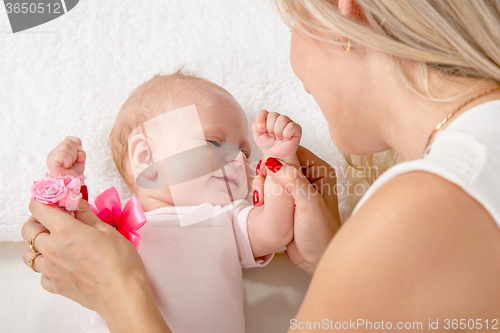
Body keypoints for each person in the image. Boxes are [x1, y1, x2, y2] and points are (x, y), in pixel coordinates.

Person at [22, 0, 500, 331]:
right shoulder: (461, 175)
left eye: (293, 23)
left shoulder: (424, 204)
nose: (237, 160)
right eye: (215, 142)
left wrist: (117, 292)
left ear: (344, 12)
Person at [37, 72, 308, 333]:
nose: (237, 160)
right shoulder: (112, 227)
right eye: (214, 144)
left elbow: (278, 228)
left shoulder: (226, 218)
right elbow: (65, 238)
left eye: (245, 152)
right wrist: (65, 182)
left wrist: (282, 161)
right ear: (146, 156)